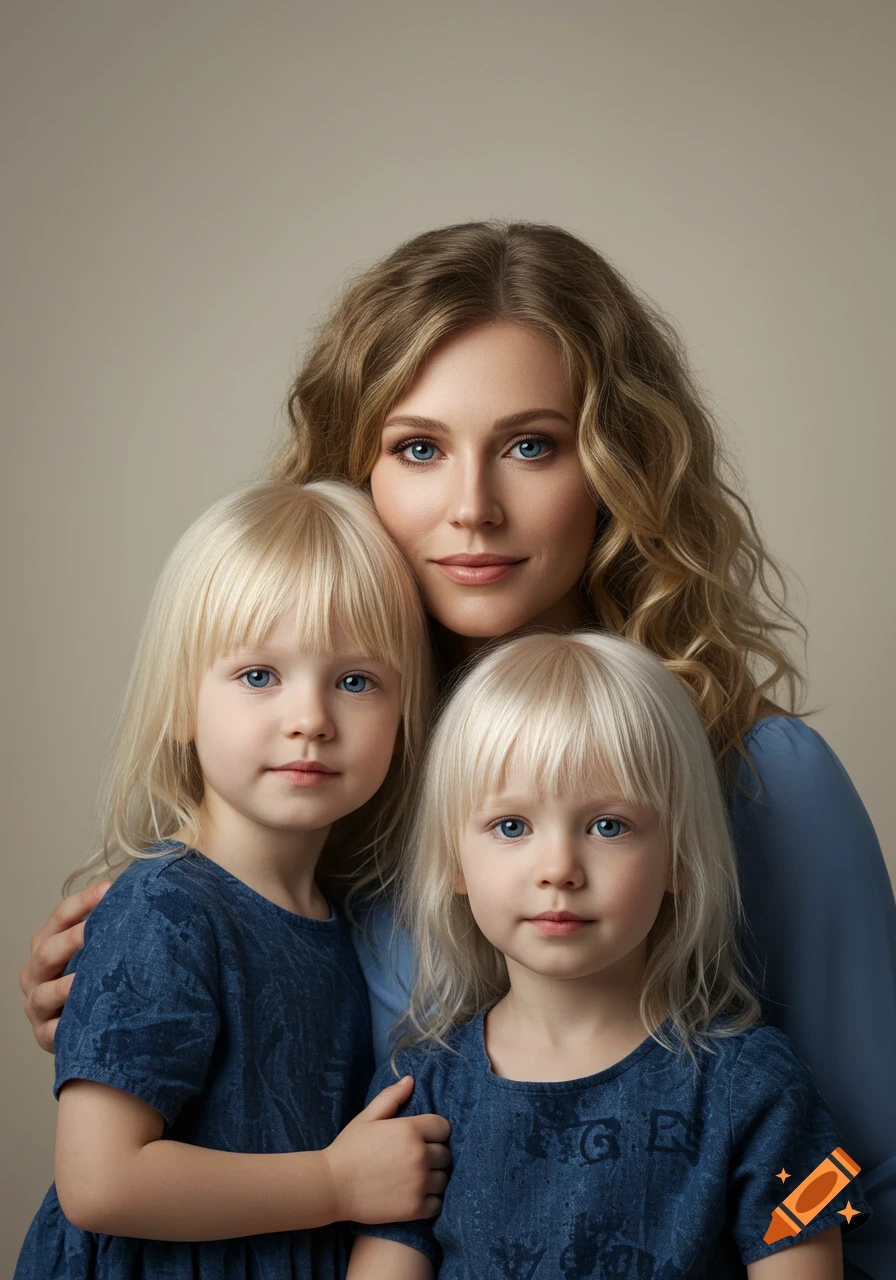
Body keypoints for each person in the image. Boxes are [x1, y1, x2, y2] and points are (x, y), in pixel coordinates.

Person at [19, 221, 896, 1278]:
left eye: (531, 444)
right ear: (357, 472)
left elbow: (865, 1186)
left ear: (620, 466)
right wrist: (137, 991)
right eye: (417, 447)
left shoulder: (763, 779)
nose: (471, 509)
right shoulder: (333, 774)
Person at [15, 480, 450, 1279]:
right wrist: (334, 1181)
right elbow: (99, 1181)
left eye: (356, 681)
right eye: (259, 676)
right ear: (184, 700)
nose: (310, 717)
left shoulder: (339, 920)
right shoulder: (164, 907)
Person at [348, 630, 872, 1278]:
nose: (559, 869)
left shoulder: (759, 1085)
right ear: (455, 862)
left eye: (608, 826)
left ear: (678, 857)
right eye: (511, 826)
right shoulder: (419, 1087)